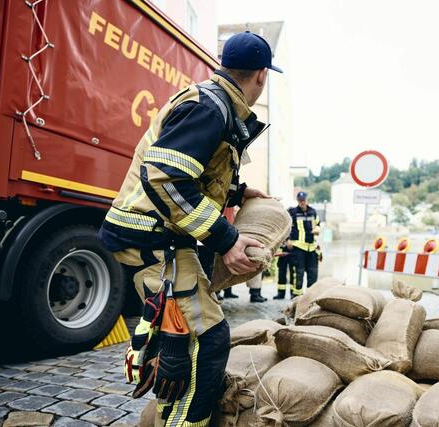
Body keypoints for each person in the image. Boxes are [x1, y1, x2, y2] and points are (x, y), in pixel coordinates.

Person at [98, 31, 282, 427]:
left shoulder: (215, 104)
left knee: (181, 335)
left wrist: (239, 191)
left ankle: (171, 399)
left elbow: (196, 174)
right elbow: (165, 178)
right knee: (206, 339)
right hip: (150, 240)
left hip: (157, 238)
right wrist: (227, 239)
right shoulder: (210, 108)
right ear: (262, 76)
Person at [286, 192, 320, 297]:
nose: (302, 202)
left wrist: (317, 229)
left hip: (312, 248)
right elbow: (286, 227)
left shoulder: (313, 212)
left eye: (303, 200)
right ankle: (297, 296)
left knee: (313, 274)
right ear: (297, 201)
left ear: (307, 200)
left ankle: (311, 296)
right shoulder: (292, 212)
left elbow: (318, 224)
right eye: (300, 200)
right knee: (298, 273)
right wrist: (287, 240)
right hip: (298, 247)